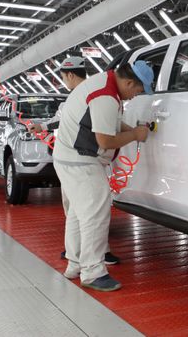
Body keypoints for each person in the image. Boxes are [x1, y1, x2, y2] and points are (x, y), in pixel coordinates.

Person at [53, 60, 154, 292]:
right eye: (137, 91)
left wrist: (133, 129)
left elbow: (109, 122)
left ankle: (75, 264)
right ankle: (93, 272)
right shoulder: (106, 96)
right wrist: (136, 135)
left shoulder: (104, 82)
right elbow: (106, 140)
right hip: (80, 161)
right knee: (96, 214)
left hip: (68, 157)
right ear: (129, 82)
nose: (135, 96)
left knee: (79, 214)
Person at [30, 56, 121, 266]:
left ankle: (78, 255)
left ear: (70, 74)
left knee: (79, 209)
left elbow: (66, 120)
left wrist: (43, 127)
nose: (65, 82)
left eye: (63, 78)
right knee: (87, 209)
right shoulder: (92, 91)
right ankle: (80, 255)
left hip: (82, 159)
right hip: (86, 159)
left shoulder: (78, 96)